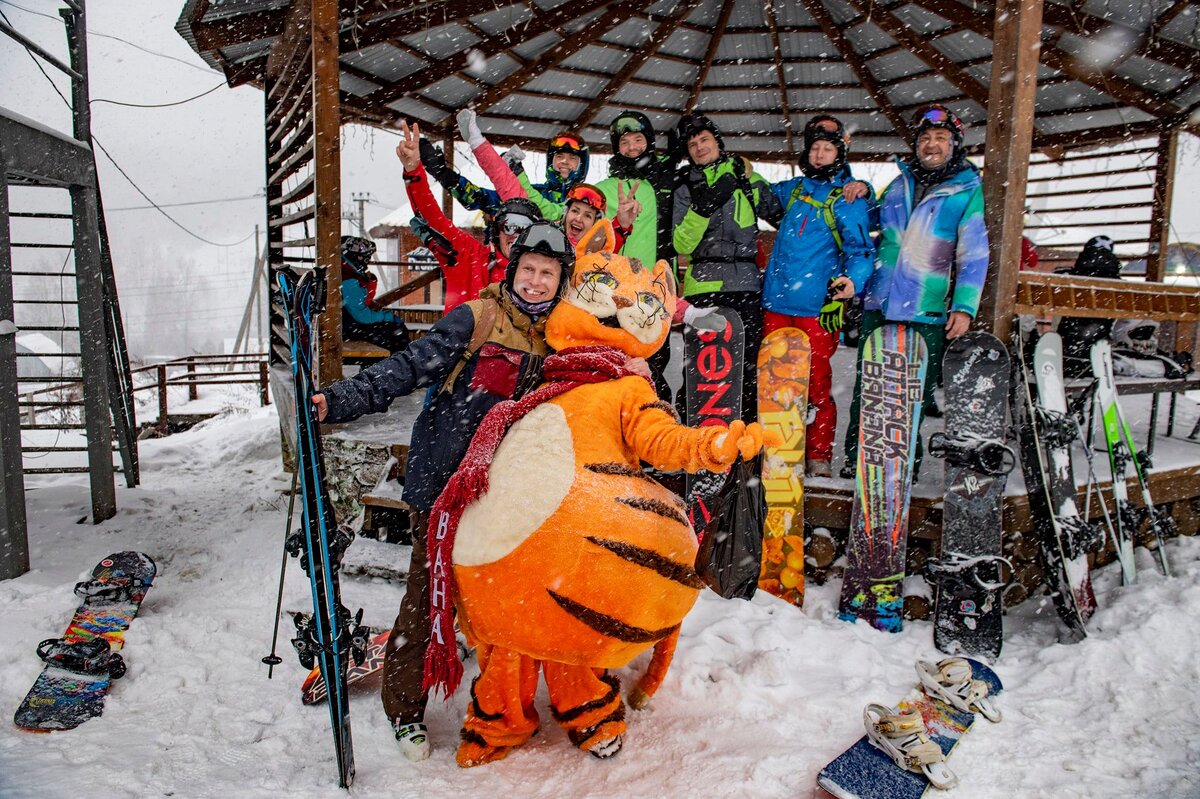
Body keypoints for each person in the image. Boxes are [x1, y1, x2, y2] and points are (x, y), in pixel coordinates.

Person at [311, 221, 576, 762]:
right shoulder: (476, 318)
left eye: (548, 274)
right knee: (427, 596)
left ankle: (499, 704)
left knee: (506, 598)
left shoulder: (564, 335)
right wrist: (338, 401)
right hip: (444, 480)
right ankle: (405, 710)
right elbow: (408, 368)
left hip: (510, 492)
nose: (535, 281)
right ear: (513, 269)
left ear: (561, 280)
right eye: (528, 269)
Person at [841, 104, 989, 479]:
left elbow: (973, 253)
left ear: (954, 144)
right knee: (869, 390)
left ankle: (901, 469)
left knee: (912, 396)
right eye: (925, 138)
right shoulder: (900, 182)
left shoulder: (966, 190)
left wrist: (965, 306)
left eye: (940, 138)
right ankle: (856, 462)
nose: (932, 144)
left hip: (926, 308)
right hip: (881, 302)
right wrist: (861, 192)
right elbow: (873, 219)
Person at [762, 116, 875, 478]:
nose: (821, 154)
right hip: (776, 303)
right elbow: (757, 196)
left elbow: (861, 251)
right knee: (774, 380)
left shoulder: (848, 196)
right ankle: (777, 447)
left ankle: (819, 455)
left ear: (840, 153)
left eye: (828, 149)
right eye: (815, 148)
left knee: (817, 384)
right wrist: (740, 171)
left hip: (819, 307)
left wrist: (853, 281)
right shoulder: (794, 189)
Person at [673, 112, 783, 421]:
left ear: (718, 143)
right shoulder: (684, 186)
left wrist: (745, 178)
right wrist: (703, 207)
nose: (699, 147)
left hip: (745, 284)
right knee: (699, 366)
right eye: (692, 144)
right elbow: (682, 244)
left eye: (705, 139)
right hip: (702, 286)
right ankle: (694, 438)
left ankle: (744, 440)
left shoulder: (744, 175)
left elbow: (778, 213)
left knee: (746, 366)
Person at [397, 120, 540, 312]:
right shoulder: (470, 257)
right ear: (497, 230)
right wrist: (414, 170)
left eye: (525, 228)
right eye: (509, 225)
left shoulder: (542, 277)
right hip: (459, 341)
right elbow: (431, 217)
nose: (516, 233)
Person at [417, 127, 589, 240]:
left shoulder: (589, 203)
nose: (565, 162)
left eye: (572, 158)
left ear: (582, 165)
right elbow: (480, 198)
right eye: (559, 157)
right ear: (551, 161)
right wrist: (443, 174)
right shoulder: (528, 192)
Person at [1057, 235, 1121, 377]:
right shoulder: (1115, 278)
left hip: (1069, 339)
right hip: (1098, 344)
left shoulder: (1075, 274)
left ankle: (1069, 361)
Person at [339, 235, 412, 354]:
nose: (367, 262)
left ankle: (395, 364)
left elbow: (362, 303)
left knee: (392, 332)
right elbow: (362, 316)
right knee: (396, 331)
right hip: (350, 329)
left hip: (347, 327)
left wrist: (370, 282)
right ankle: (401, 365)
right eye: (365, 258)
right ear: (355, 256)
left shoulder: (347, 274)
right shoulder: (349, 279)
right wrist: (388, 317)